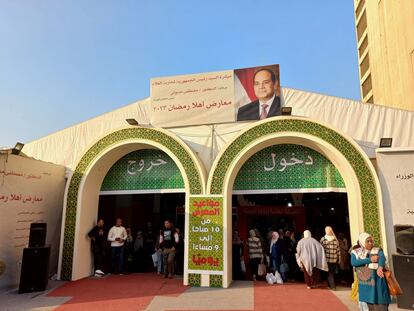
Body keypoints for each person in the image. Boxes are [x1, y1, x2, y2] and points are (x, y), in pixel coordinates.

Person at [351, 232, 391, 310]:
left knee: (381, 304)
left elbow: (382, 257)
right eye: (367, 241)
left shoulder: (377, 250)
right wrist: (370, 260)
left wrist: (380, 267)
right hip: (366, 284)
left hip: (378, 281)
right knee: (370, 306)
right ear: (362, 242)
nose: (370, 243)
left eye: (371, 241)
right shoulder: (356, 252)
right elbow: (354, 262)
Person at [320, 226, 341, 290]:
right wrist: (339, 258)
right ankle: (330, 284)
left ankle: (333, 286)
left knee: (330, 273)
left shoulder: (323, 239)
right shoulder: (335, 239)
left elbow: (320, 249)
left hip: (327, 259)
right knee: (332, 272)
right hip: (334, 259)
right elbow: (338, 250)